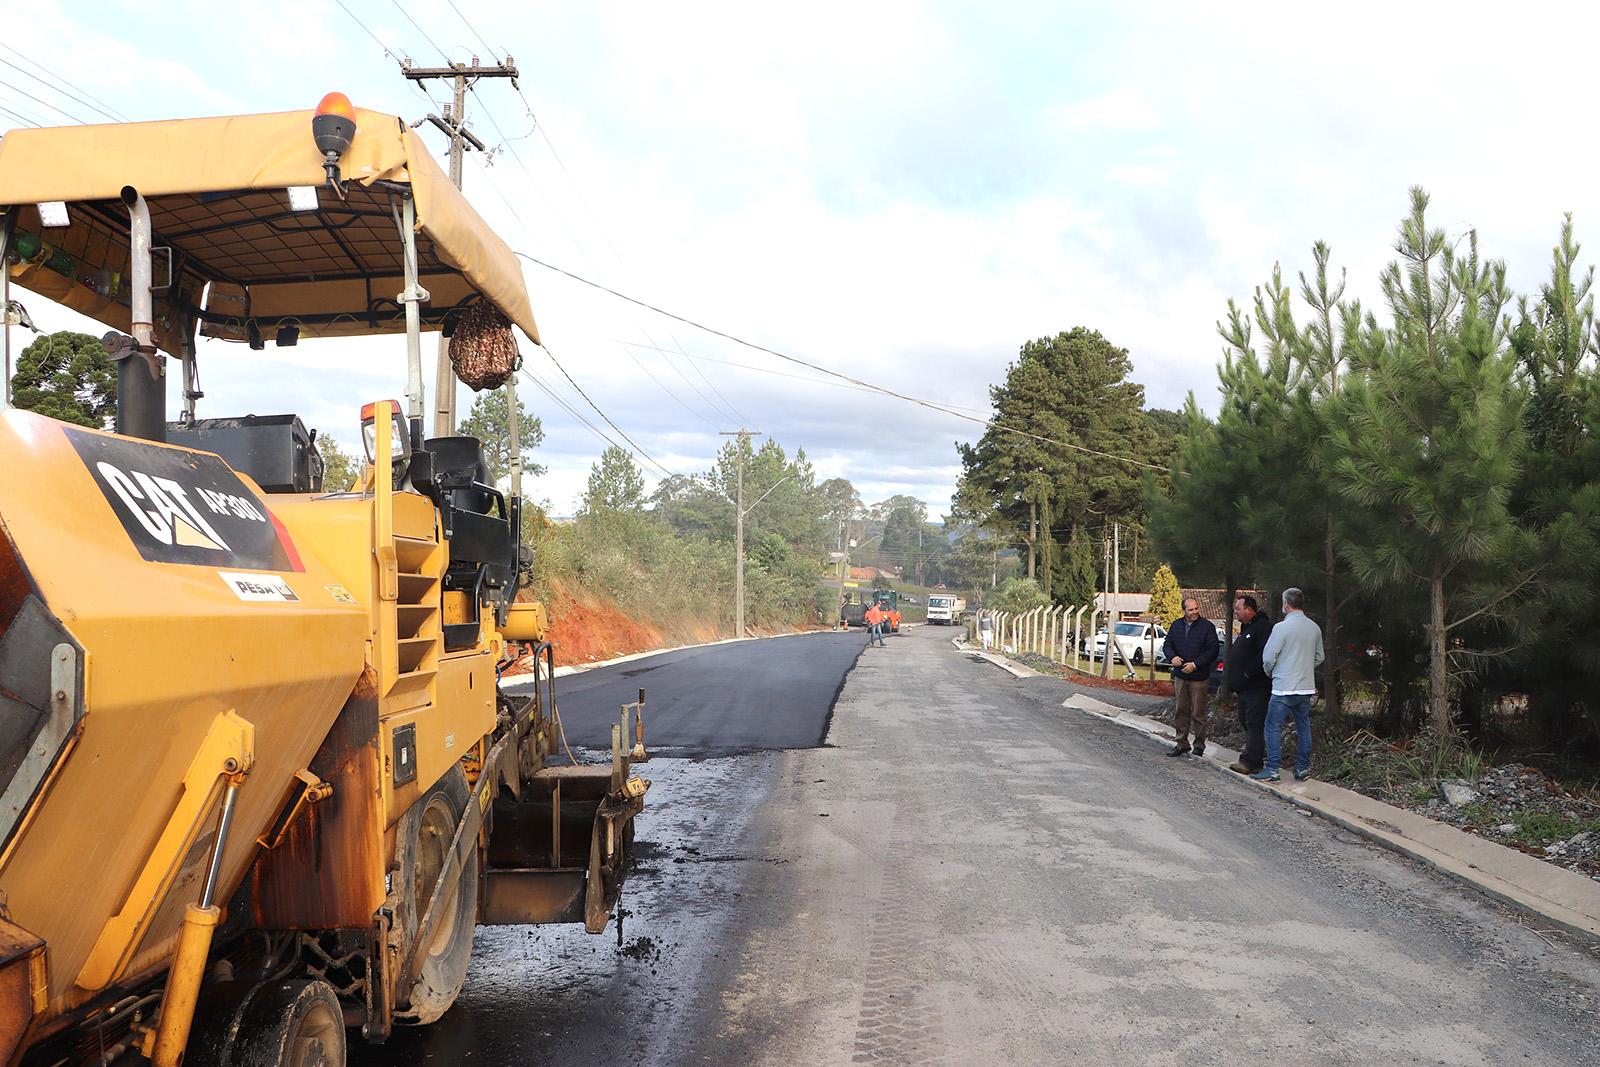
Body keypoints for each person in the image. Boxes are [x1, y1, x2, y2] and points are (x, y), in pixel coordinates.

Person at [1254, 587, 1324, 783]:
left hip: (1283, 686)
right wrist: (1305, 667)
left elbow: (1268, 658)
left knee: (1272, 726)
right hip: (1305, 687)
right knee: (1303, 727)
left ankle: (1273, 769)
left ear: (1286, 604)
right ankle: (1301, 768)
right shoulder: (1314, 628)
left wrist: (1272, 672)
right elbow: (1319, 657)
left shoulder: (1280, 628)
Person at [1160, 598, 1219, 757]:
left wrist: (1196, 664)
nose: (1195, 612)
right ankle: (1181, 743)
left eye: (1196, 608)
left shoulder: (1207, 627)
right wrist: (1172, 657)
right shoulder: (1176, 625)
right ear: (1184, 611)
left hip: (1199, 677)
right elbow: (1167, 644)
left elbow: (1213, 650)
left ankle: (1199, 745)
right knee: (1181, 710)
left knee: (1198, 713)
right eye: (1191, 610)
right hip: (1180, 676)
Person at [1224, 595, 1274, 775]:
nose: (1235, 612)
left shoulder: (1262, 627)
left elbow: (1265, 655)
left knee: (1254, 722)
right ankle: (1254, 755)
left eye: (1238, 608)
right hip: (1244, 688)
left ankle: (1250, 761)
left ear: (1248, 609)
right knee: (1246, 721)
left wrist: (1248, 673)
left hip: (1256, 686)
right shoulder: (1247, 628)